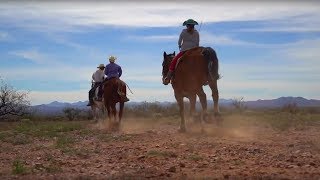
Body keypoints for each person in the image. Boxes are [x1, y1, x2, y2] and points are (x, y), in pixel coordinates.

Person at [163, 19, 200, 85]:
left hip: (184, 50)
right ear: (193, 26)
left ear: (187, 25)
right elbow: (197, 43)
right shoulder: (196, 33)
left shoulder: (183, 32)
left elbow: (179, 41)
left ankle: (168, 77)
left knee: (174, 61)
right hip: (194, 51)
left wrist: (180, 45)